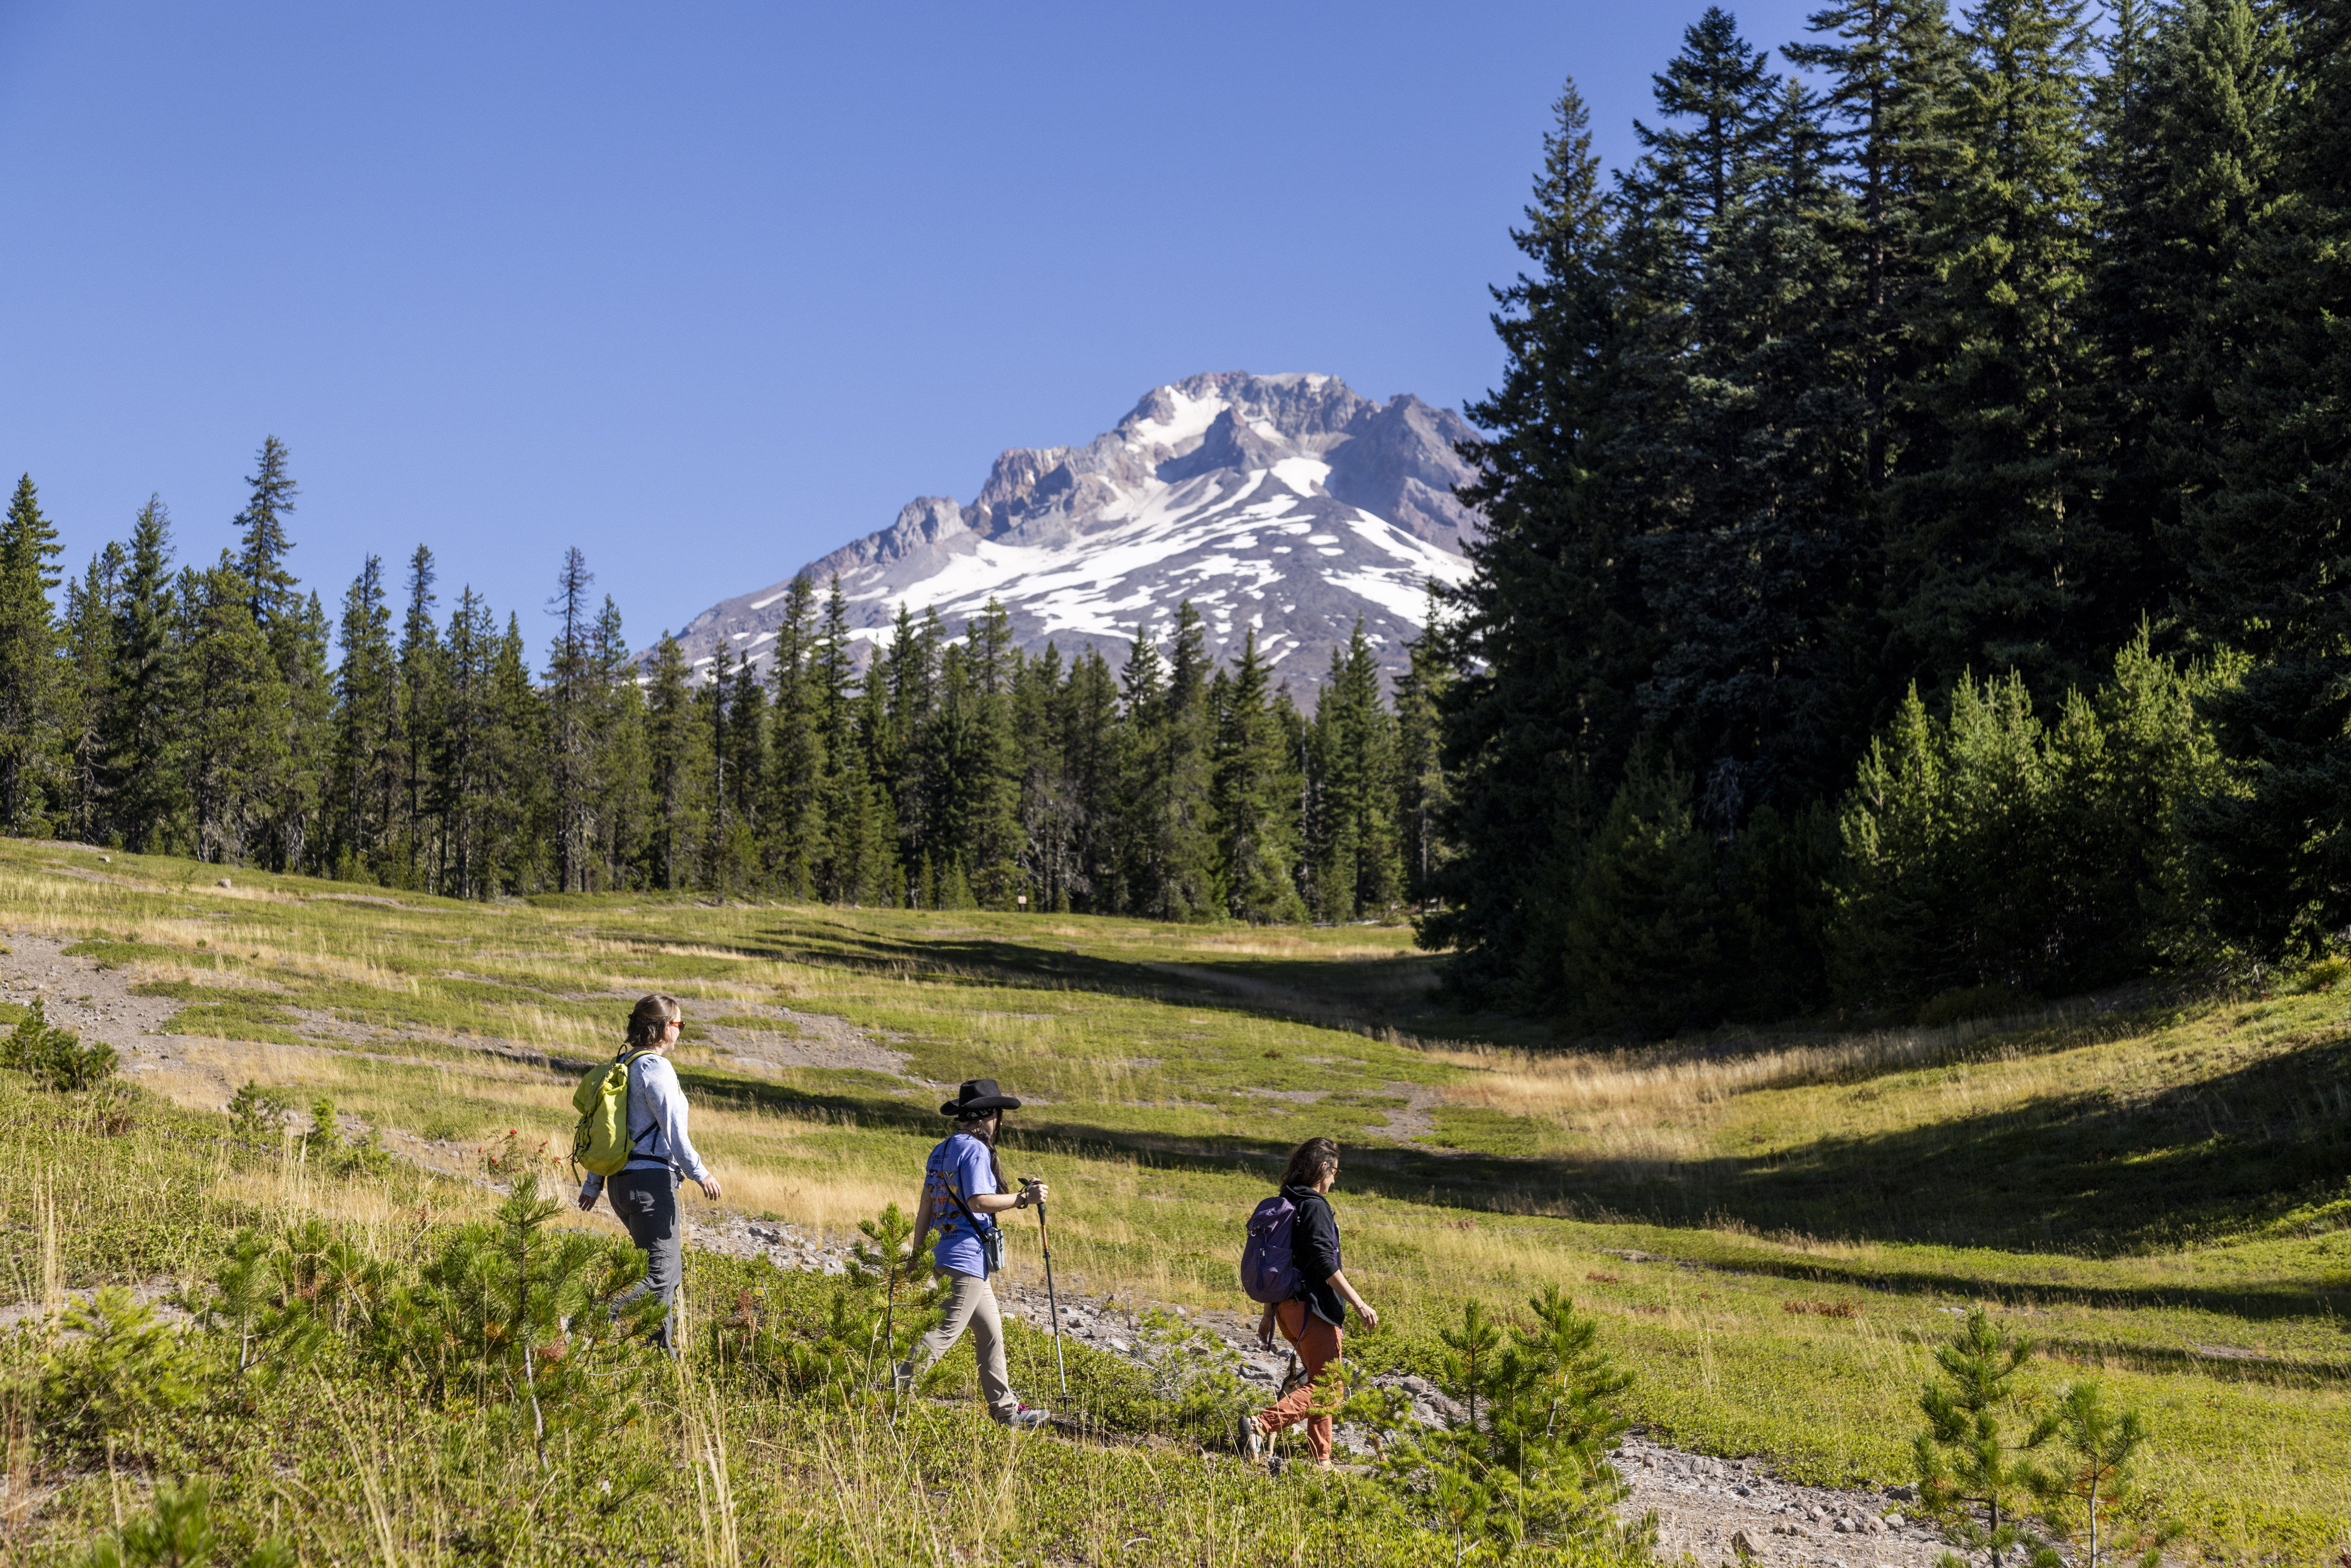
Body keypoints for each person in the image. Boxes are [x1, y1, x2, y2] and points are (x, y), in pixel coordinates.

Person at [900, 1078, 1052, 1428]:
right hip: (965, 1257)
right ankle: (890, 1394)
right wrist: (1023, 1199)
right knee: (945, 1332)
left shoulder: (940, 1150)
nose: (999, 1123)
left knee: (990, 1334)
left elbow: (926, 1205)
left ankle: (1007, 1412)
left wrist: (918, 1253)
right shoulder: (976, 1150)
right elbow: (978, 1202)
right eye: (998, 1117)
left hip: (944, 1252)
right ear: (988, 1116)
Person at [576, 993, 722, 1352]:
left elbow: (605, 1129)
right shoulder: (656, 1069)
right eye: (679, 1024)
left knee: (669, 1274)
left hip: (620, 1187)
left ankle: (659, 1355)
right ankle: (591, 1319)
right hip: (651, 1186)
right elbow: (674, 1131)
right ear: (661, 1028)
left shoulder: (622, 1065)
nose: (681, 1031)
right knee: (660, 1275)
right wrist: (700, 1172)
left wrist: (594, 1183)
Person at [1238, 1137, 1377, 1470]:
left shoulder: (1288, 1200)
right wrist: (1359, 1304)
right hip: (1312, 1310)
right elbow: (1323, 1261)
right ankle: (1261, 1424)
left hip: (1287, 1309)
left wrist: (1268, 1316)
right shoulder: (1314, 1205)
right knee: (1329, 1387)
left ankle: (1322, 1462)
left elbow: (1282, 1260)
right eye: (1335, 1172)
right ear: (1324, 1168)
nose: (1334, 1180)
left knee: (1321, 1380)